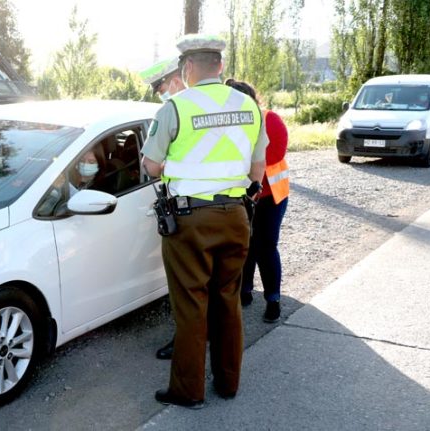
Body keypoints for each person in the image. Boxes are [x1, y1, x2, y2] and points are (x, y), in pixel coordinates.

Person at [141, 34, 268, 409]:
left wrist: (173, 168)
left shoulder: (175, 108)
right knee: (227, 300)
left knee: (191, 304)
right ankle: (228, 384)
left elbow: (150, 165)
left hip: (190, 221)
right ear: (221, 66)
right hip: (236, 216)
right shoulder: (249, 106)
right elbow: (257, 167)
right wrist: (245, 193)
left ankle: (188, 391)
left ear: (189, 68)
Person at [225, 79, 289, 324]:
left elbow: (274, 154)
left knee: (265, 246)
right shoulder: (228, 123)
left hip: (270, 195)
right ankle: (245, 292)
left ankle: (273, 300)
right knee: (245, 244)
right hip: (243, 194)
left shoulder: (269, 119)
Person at [140, 57, 185, 361]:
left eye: (161, 87)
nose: (162, 94)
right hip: (229, 208)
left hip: (189, 211)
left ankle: (186, 343)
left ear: (177, 79)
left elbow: (152, 166)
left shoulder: (176, 111)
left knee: (185, 285)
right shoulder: (223, 107)